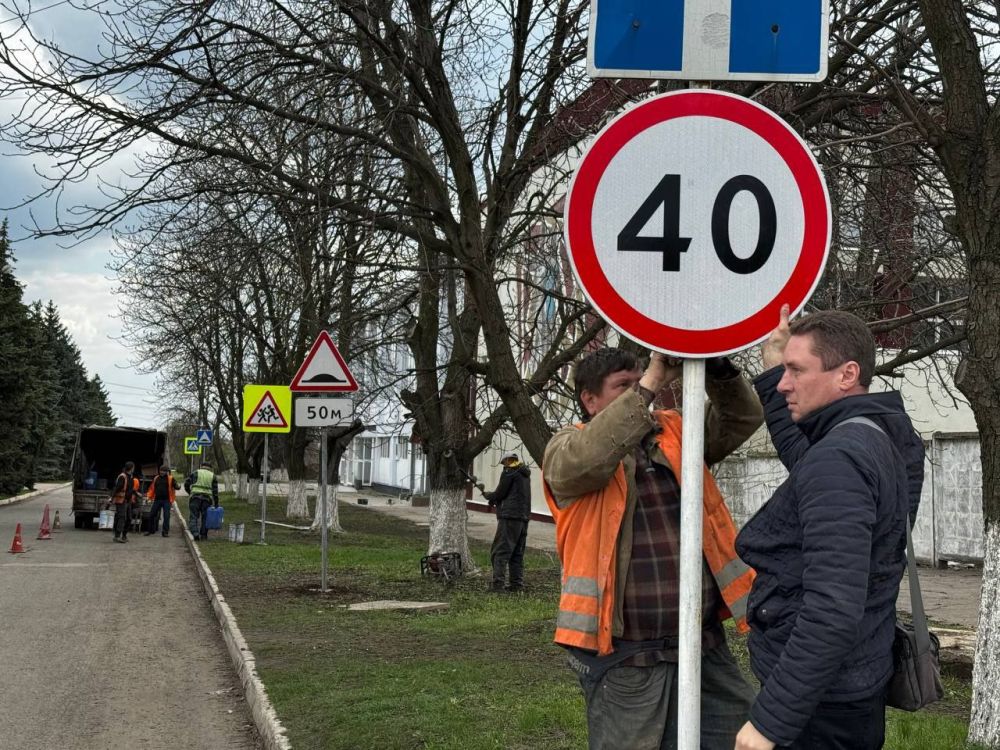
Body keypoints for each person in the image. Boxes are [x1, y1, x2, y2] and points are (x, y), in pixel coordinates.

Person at [542, 348, 763, 750]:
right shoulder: (566, 449)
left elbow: (741, 418)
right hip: (627, 656)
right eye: (623, 387)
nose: (641, 392)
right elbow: (585, 461)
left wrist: (716, 365)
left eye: (638, 381)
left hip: (701, 645)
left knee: (742, 741)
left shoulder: (675, 431)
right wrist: (649, 383)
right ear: (589, 400)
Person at [734, 307, 925, 750]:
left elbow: (832, 609)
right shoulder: (884, 435)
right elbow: (809, 463)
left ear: (846, 374)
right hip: (856, 679)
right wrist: (771, 367)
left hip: (820, 704)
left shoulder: (839, 458)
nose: (784, 383)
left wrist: (769, 724)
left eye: (796, 370)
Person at [477, 452, 532, 593]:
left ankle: (497, 585)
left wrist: (488, 495)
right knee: (517, 553)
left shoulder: (510, 472)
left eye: (504, 463)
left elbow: (500, 493)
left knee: (499, 551)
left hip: (509, 517)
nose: (503, 466)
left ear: (508, 460)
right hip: (523, 518)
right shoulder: (524, 475)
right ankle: (516, 585)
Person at [184, 461, 218, 541]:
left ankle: (195, 533)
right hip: (207, 499)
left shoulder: (195, 472)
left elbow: (186, 483)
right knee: (205, 518)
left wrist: (190, 492)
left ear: (201, 466)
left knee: (193, 517)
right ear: (210, 468)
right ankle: (203, 535)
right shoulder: (213, 476)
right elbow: (215, 491)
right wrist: (216, 503)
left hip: (195, 498)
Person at [145, 465, 179, 537]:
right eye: (161, 470)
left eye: (164, 471)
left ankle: (165, 532)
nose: (162, 472)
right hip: (157, 499)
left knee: (166, 516)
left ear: (167, 472)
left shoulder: (171, 478)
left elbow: (176, 486)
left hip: (167, 500)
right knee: (151, 515)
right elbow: (152, 489)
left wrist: (177, 486)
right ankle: (150, 530)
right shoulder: (156, 478)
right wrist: (149, 497)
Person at [109, 460, 137, 543]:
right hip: (121, 500)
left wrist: (135, 493)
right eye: (133, 467)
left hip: (128, 501)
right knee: (122, 517)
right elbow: (117, 488)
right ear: (131, 468)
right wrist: (111, 497)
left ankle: (124, 535)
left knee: (129, 518)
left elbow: (130, 489)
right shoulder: (122, 476)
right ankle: (117, 536)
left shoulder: (131, 477)